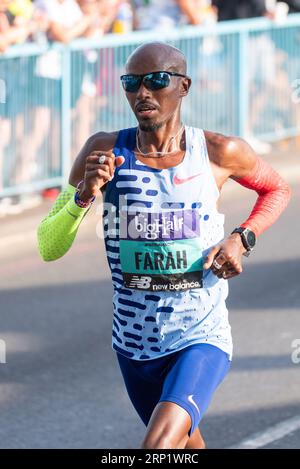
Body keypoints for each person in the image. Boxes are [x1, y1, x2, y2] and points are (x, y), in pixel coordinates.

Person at [37, 42, 291, 449]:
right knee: (186, 448)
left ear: (184, 85)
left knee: (157, 448)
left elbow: (276, 188)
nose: (143, 93)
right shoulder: (103, 151)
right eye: (131, 83)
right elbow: (48, 246)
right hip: (134, 345)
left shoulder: (217, 151)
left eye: (156, 80)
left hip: (200, 336)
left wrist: (241, 237)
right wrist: (84, 194)